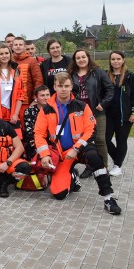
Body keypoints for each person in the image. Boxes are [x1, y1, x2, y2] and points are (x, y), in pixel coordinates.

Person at [34, 72, 121, 215]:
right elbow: (39, 134)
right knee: (58, 194)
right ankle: (73, 177)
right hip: (62, 154)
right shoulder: (46, 109)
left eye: (66, 86)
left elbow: (91, 130)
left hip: (80, 148)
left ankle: (109, 198)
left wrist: (76, 148)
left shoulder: (82, 106)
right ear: (54, 87)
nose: (63, 89)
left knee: (95, 158)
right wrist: (44, 155)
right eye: (60, 86)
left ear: (71, 87)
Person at [67, 49, 113, 178]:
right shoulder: (71, 74)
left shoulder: (97, 71)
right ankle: (90, 166)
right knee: (85, 140)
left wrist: (103, 103)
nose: (81, 60)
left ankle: (103, 167)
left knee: (99, 139)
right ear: (75, 60)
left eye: (83, 57)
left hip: (97, 111)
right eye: (78, 58)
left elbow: (109, 89)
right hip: (79, 113)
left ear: (88, 58)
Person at [105, 51, 134, 177]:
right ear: (110, 61)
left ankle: (117, 166)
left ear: (123, 60)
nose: (115, 61)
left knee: (121, 141)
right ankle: (118, 160)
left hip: (124, 115)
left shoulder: (130, 77)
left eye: (118, 59)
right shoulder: (106, 75)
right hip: (108, 115)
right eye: (113, 59)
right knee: (105, 140)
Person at [12, 37, 44, 121]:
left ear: (24, 47)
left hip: (27, 102)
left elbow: (38, 81)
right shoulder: (8, 60)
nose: (18, 46)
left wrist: (36, 99)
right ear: (12, 47)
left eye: (20, 44)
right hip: (11, 102)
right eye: (16, 45)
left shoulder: (32, 61)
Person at [23, 85, 50, 160]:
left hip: (51, 142)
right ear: (36, 98)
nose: (46, 98)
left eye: (47, 95)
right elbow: (29, 132)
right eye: (42, 95)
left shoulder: (55, 110)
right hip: (35, 142)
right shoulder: (29, 111)